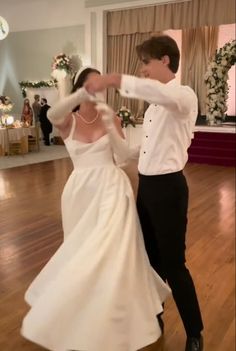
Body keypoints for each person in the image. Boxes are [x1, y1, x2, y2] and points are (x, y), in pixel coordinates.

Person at [21, 66, 171, 351]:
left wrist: (112, 124)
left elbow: (124, 157)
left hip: (113, 190)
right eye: (91, 85)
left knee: (112, 252)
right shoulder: (69, 119)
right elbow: (52, 116)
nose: (97, 90)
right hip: (80, 193)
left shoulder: (110, 116)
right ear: (80, 88)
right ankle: (82, 310)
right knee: (81, 253)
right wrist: (80, 93)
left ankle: (116, 315)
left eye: (100, 86)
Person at [85, 35, 204, 351]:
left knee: (174, 263)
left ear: (165, 60)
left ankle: (195, 332)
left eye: (146, 63)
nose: (143, 70)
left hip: (169, 188)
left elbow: (156, 93)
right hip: (147, 187)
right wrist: (118, 144)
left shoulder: (183, 95)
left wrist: (114, 79)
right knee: (150, 263)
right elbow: (148, 148)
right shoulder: (154, 107)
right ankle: (154, 318)